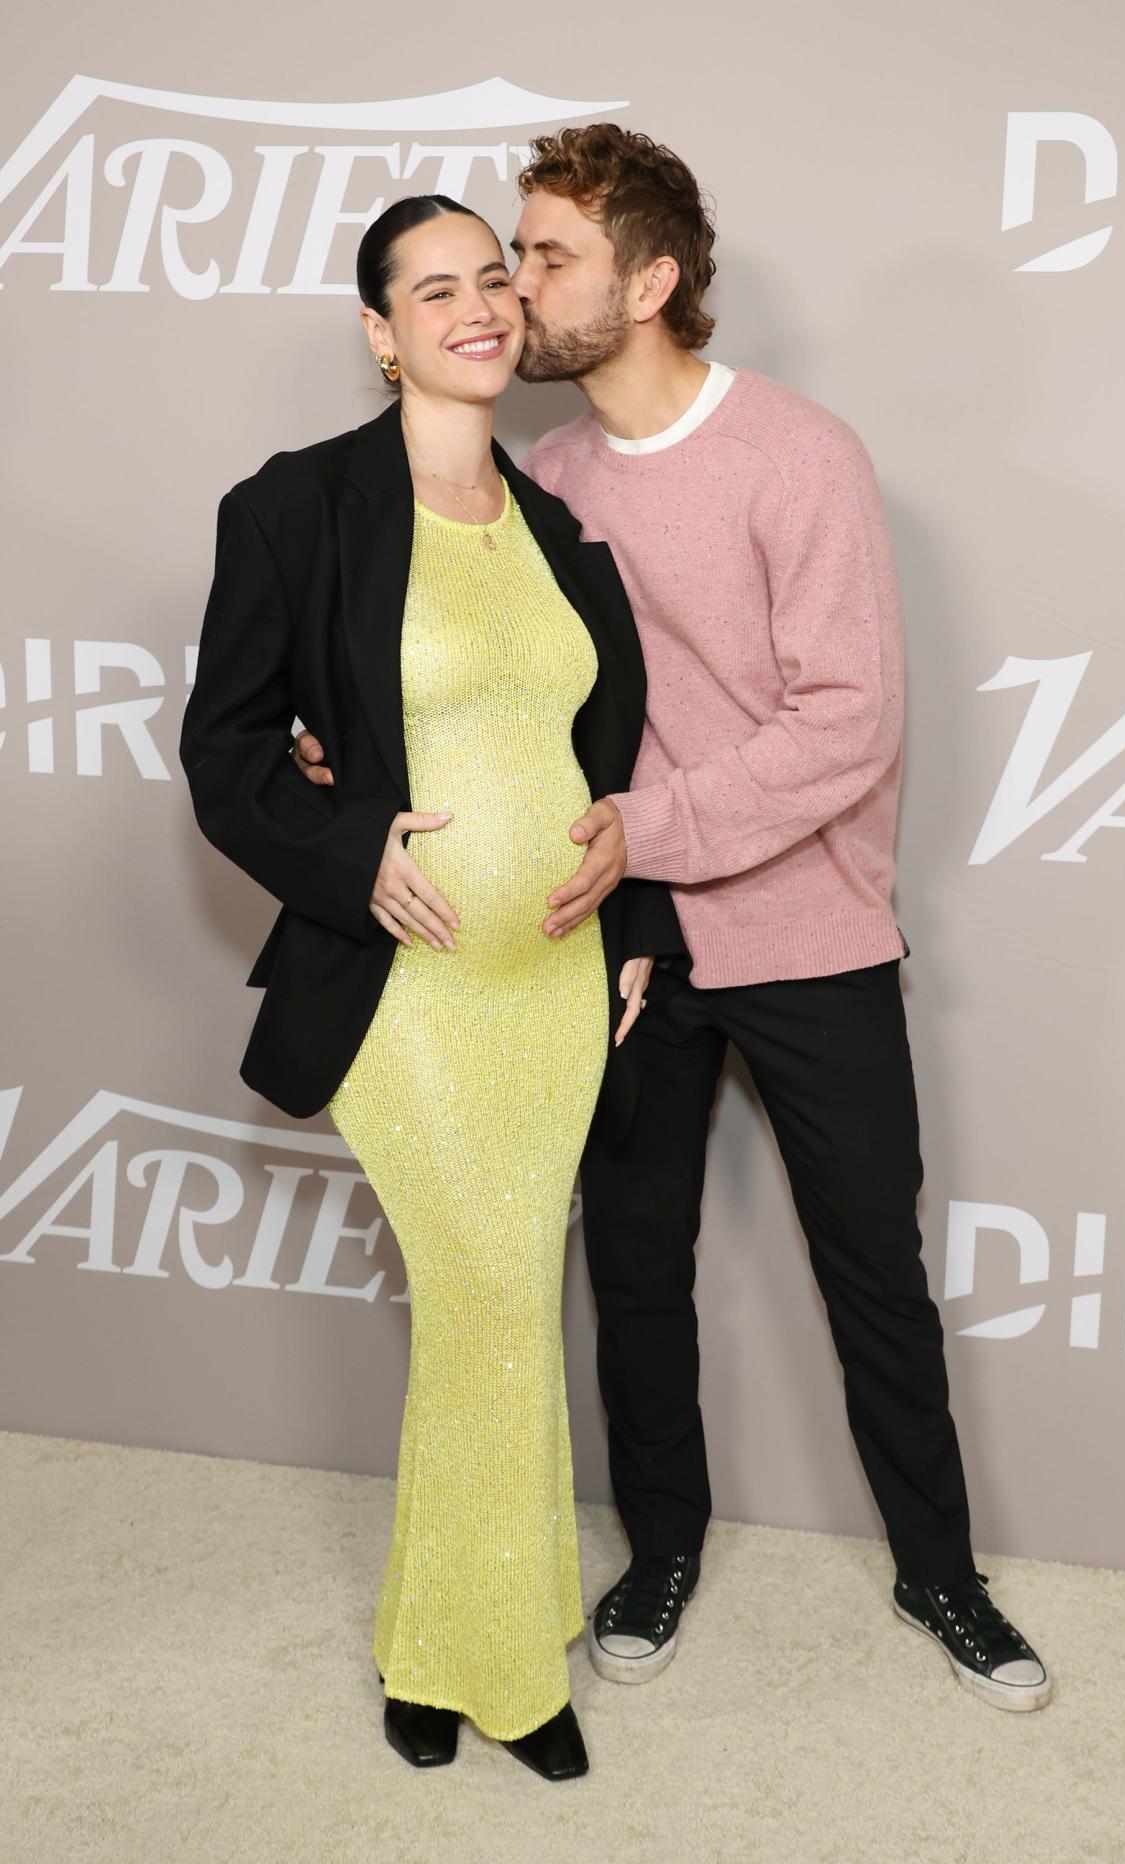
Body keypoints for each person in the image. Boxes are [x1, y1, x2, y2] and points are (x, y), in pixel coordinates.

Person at [294, 128, 1052, 1714]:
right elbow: (483, 704)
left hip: (812, 937)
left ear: (648, 283)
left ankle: (941, 1576)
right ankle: (661, 1550)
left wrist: (657, 825)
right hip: (615, 945)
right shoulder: (536, 484)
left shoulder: (799, 455)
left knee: (873, 1274)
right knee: (636, 1269)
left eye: (545, 255)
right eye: (501, 255)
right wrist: (333, 757)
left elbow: (846, 720)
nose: (512, 286)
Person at [180, 192, 681, 1782]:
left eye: (492, 280)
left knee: (499, 1304)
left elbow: (599, 759)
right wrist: (346, 857)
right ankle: (508, 1678)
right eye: (434, 289)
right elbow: (227, 745)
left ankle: (432, 1640)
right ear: (378, 333)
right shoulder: (298, 507)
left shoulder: (556, 524)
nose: (476, 308)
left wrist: (638, 921)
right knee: (482, 1291)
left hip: (553, 982)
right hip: (409, 981)